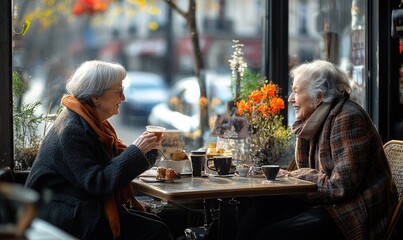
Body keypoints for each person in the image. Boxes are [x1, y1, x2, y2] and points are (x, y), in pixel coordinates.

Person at [235, 60, 398, 240]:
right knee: (255, 207)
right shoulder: (312, 120)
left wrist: (292, 176)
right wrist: (290, 176)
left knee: (271, 235)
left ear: (319, 97)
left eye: (296, 91)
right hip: (323, 204)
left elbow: (340, 188)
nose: (290, 99)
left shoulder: (348, 118)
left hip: (353, 212)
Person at [24, 60, 173, 240]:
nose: (123, 98)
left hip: (79, 205)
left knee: (159, 222)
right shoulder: (71, 130)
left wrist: (149, 150)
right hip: (63, 214)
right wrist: (137, 150)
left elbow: (114, 165)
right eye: (119, 91)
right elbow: (98, 182)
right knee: (157, 231)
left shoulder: (92, 122)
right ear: (96, 97)